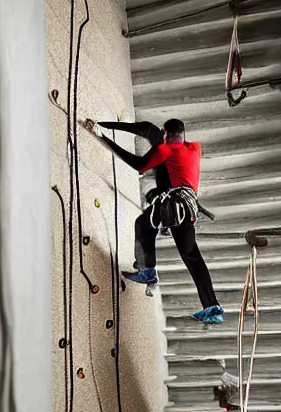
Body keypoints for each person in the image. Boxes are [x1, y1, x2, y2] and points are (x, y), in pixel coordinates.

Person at [84, 117, 224, 324]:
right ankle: (213, 308)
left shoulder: (165, 150)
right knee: (192, 255)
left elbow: (138, 165)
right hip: (189, 206)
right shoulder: (196, 147)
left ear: (166, 135)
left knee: (142, 224)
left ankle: (148, 271)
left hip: (175, 204)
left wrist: (101, 136)